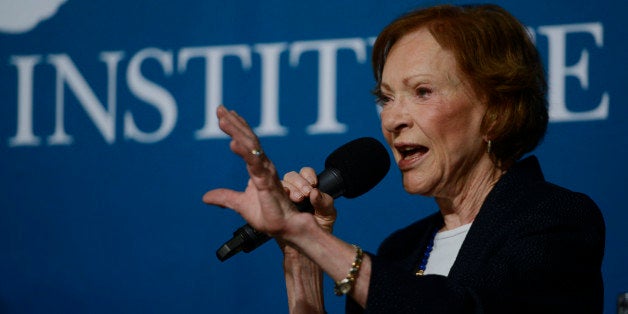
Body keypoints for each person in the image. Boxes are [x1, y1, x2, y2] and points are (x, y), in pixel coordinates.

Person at [203, 4, 605, 313]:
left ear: (495, 110)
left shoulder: (556, 220)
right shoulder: (400, 251)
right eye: (386, 98)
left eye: (422, 92)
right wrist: (302, 254)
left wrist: (314, 239)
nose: (392, 119)